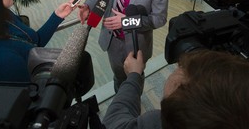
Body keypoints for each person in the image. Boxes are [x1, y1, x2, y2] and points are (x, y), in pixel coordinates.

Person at [102, 49, 249, 129]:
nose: (178, 67)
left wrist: (134, 75)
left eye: (182, 67)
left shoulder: (155, 122)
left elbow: (114, 120)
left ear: (178, 90)